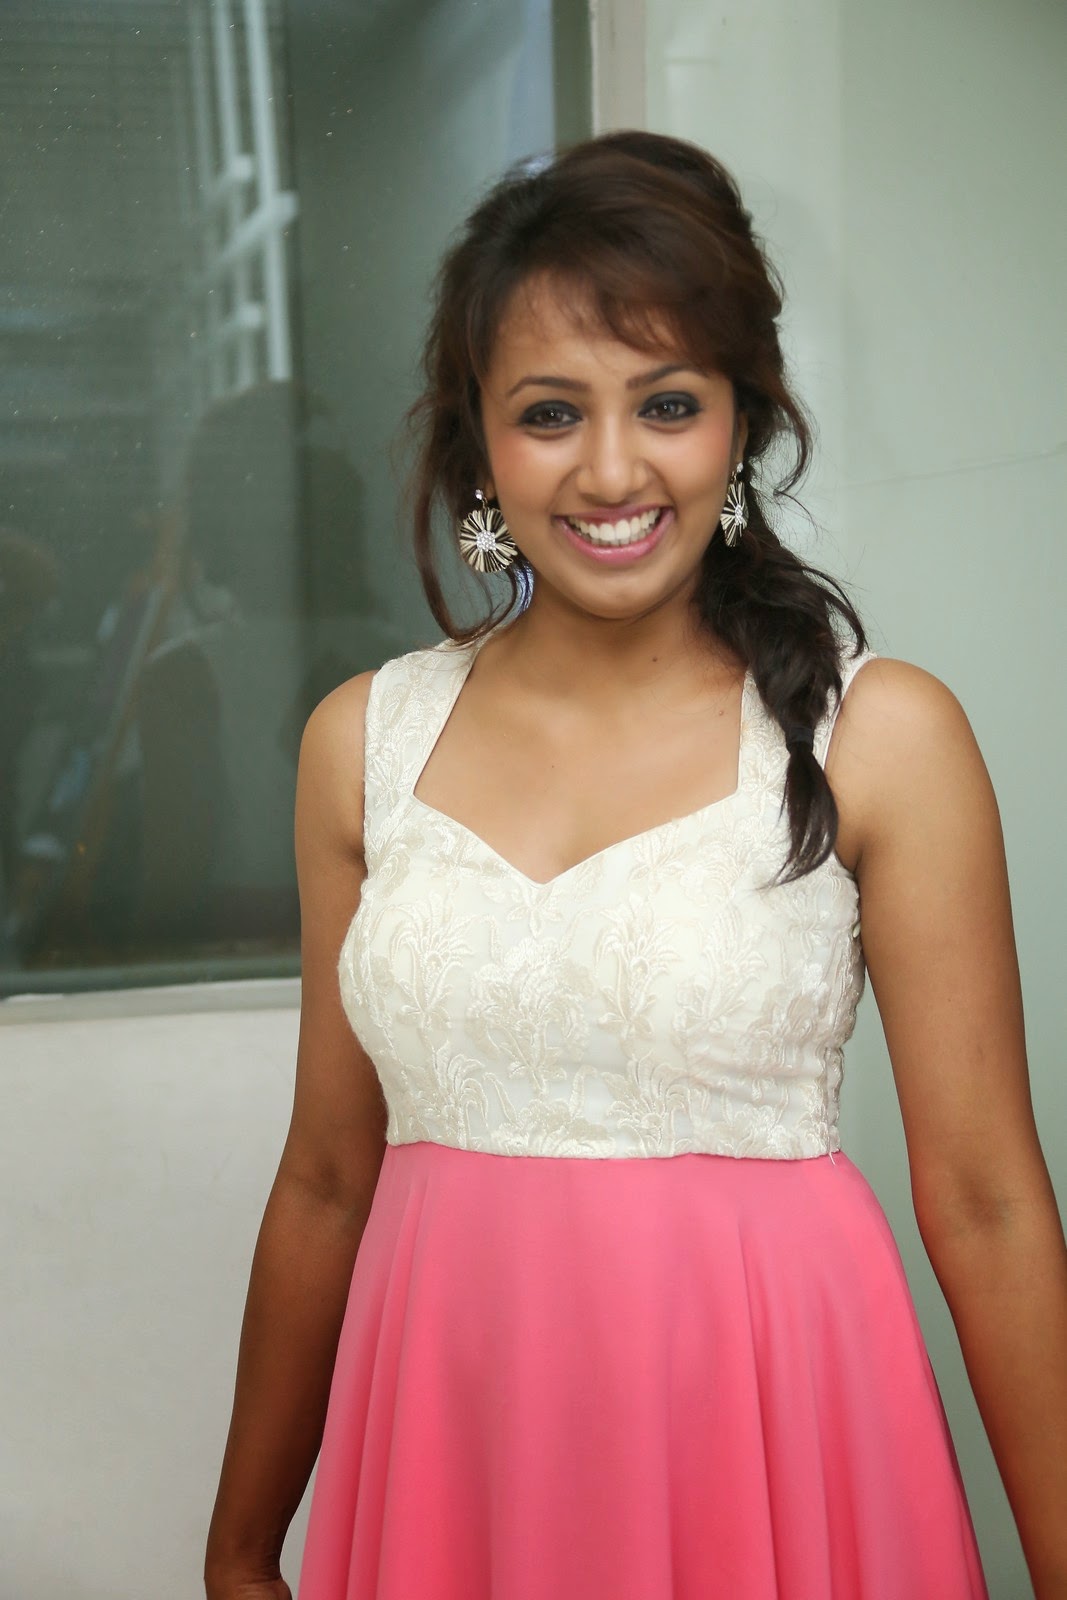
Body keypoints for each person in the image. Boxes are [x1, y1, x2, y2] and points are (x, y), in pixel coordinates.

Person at [204, 132, 1067, 1600]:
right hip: (460, 1455)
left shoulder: (879, 736)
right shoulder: (364, 743)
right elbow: (329, 1178)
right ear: (478, 442)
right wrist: (238, 1550)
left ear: (740, 421)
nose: (612, 469)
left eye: (668, 403)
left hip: (769, 1439)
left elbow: (985, 1198)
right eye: (551, 413)